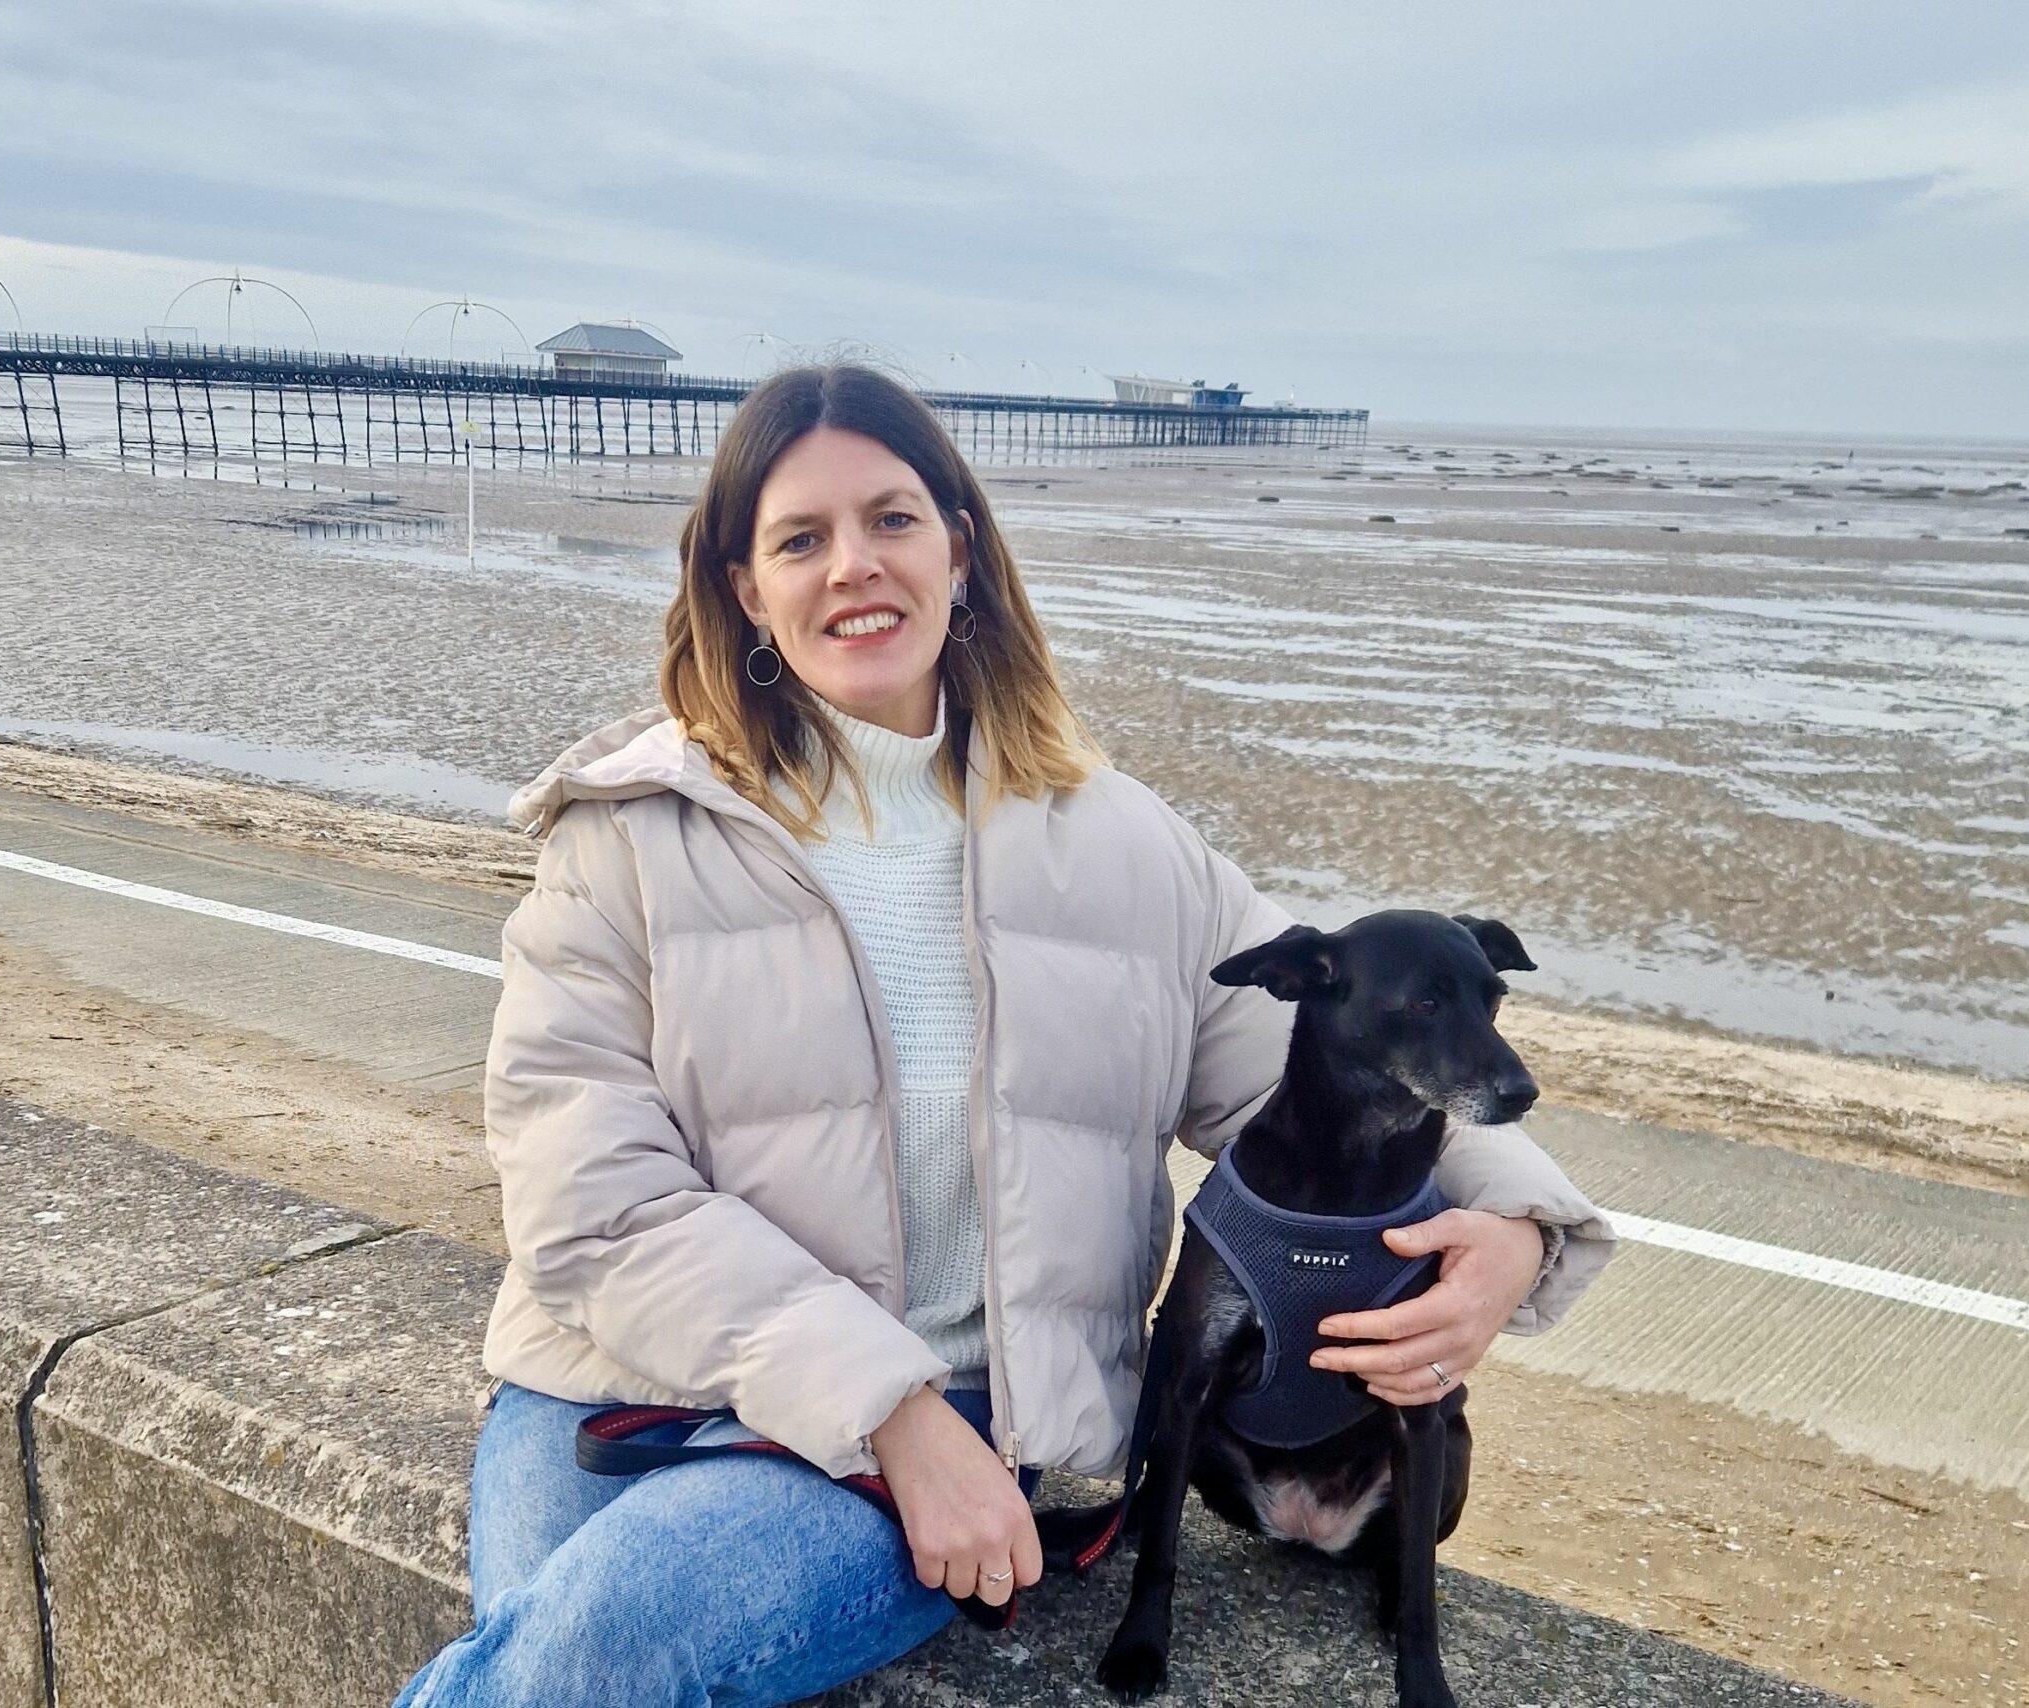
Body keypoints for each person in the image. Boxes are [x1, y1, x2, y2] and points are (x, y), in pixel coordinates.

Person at [394, 366, 1614, 1708]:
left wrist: (1513, 1230)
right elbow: (592, 1202)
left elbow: (1330, 1059)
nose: (854, 565)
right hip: (621, 1387)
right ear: (745, 588)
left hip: (971, 1411)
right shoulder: (624, 840)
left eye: (894, 519)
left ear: (960, 550)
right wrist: (884, 1408)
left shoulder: (1120, 846)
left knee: (585, 1656)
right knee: (558, 1662)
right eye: (801, 538)